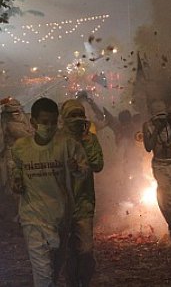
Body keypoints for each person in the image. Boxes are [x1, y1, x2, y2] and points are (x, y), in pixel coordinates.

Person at [10, 97, 88, 287]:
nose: (50, 126)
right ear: (33, 122)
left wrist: (76, 167)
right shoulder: (20, 148)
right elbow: (16, 172)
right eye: (45, 122)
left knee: (53, 270)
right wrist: (16, 183)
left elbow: (84, 171)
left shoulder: (67, 145)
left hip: (60, 218)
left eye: (53, 122)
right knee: (43, 273)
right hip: (32, 218)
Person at [60, 99, 104, 287]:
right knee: (67, 251)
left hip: (84, 204)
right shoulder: (56, 140)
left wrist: (86, 141)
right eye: (72, 115)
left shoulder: (90, 139)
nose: (77, 119)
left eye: (80, 115)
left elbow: (97, 165)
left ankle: (84, 281)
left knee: (85, 251)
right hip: (61, 206)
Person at [143, 100, 171, 238]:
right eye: (159, 118)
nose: (162, 120)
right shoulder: (148, 126)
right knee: (166, 197)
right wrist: (156, 129)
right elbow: (149, 147)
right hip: (159, 165)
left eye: (163, 117)